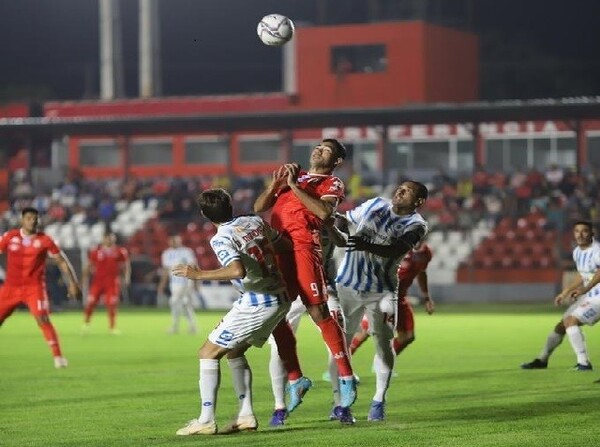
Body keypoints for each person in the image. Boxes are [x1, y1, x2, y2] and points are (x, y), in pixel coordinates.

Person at [173, 188, 294, 436]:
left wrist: (198, 274)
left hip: (258, 302)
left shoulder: (221, 238)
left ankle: (206, 419)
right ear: (231, 205)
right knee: (235, 352)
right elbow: (284, 244)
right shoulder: (253, 220)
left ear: (204, 215)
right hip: (279, 296)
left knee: (207, 352)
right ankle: (246, 416)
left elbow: (237, 270)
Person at [254, 138, 357, 424]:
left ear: (336, 161)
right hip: (278, 248)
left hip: (303, 247)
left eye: (325, 149)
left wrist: (296, 187)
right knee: (273, 315)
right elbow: (259, 206)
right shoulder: (292, 176)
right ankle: (296, 378)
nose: (317, 150)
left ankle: (346, 377)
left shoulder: (332, 184)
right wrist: (278, 184)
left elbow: (324, 214)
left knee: (318, 310)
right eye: (318, 146)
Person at [326, 181, 429, 421]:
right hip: (347, 287)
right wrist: (332, 218)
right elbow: (347, 220)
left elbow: (397, 249)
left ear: (418, 201)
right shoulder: (374, 204)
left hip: (381, 291)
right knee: (339, 346)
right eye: (399, 188)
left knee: (383, 343)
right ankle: (340, 402)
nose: (399, 191)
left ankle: (378, 400)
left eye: (407, 191)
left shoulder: (417, 225)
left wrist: (365, 244)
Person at [0, 207, 81, 368]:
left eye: (35, 218)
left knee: (42, 318)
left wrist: (73, 283)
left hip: (34, 287)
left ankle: (58, 358)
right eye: (29, 218)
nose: (33, 221)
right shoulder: (10, 237)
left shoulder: (45, 240)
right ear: (22, 220)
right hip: (11, 288)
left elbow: (62, 262)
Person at [521, 221, 600, 372]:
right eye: (577, 231)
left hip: (598, 298)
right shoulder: (577, 251)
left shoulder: (597, 250)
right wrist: (565, 292)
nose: (580, 234)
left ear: (592, 234)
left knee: (571, 321)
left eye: (584, 231)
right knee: (561, 326)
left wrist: (585, 289)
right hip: (589, 295)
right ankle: (542, 360)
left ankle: (583, 363)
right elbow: (582, 274)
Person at [348, 242, 435, 358]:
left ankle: (383, 363)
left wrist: (426, 297)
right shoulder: (398, 245)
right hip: (382, 295)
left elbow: (421, 272)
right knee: (366, 331)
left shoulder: (425, 253)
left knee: (408, 336)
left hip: (400, 298)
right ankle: (340, 366)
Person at [81, 232, 130, 334]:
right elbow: (89, 265)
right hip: (97, 282)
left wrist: (126, 277)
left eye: (110, 238)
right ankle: (86, 323)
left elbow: (126, 265)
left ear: (114, 239)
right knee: (91, 302)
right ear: (103, 239)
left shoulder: (120, 251)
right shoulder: (96, 251)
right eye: (106, 238)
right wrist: (83, 279)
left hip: (112, 282)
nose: (109, 240)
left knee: (111, 304)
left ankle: (112, 327)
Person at [157, 235, 199, 334]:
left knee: (174, 301)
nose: (174, 242)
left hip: (186, 282)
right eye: (172, 241)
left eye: (176, 240)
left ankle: (175, 327)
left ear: (180, 241)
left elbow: (193, 266)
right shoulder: (166, 253)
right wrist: (162, 284)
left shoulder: (187, 251)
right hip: (174, 283)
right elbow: (166, 270)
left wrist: (196, 281)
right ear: (169, 241)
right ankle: (192, 326)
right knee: (185, 305)